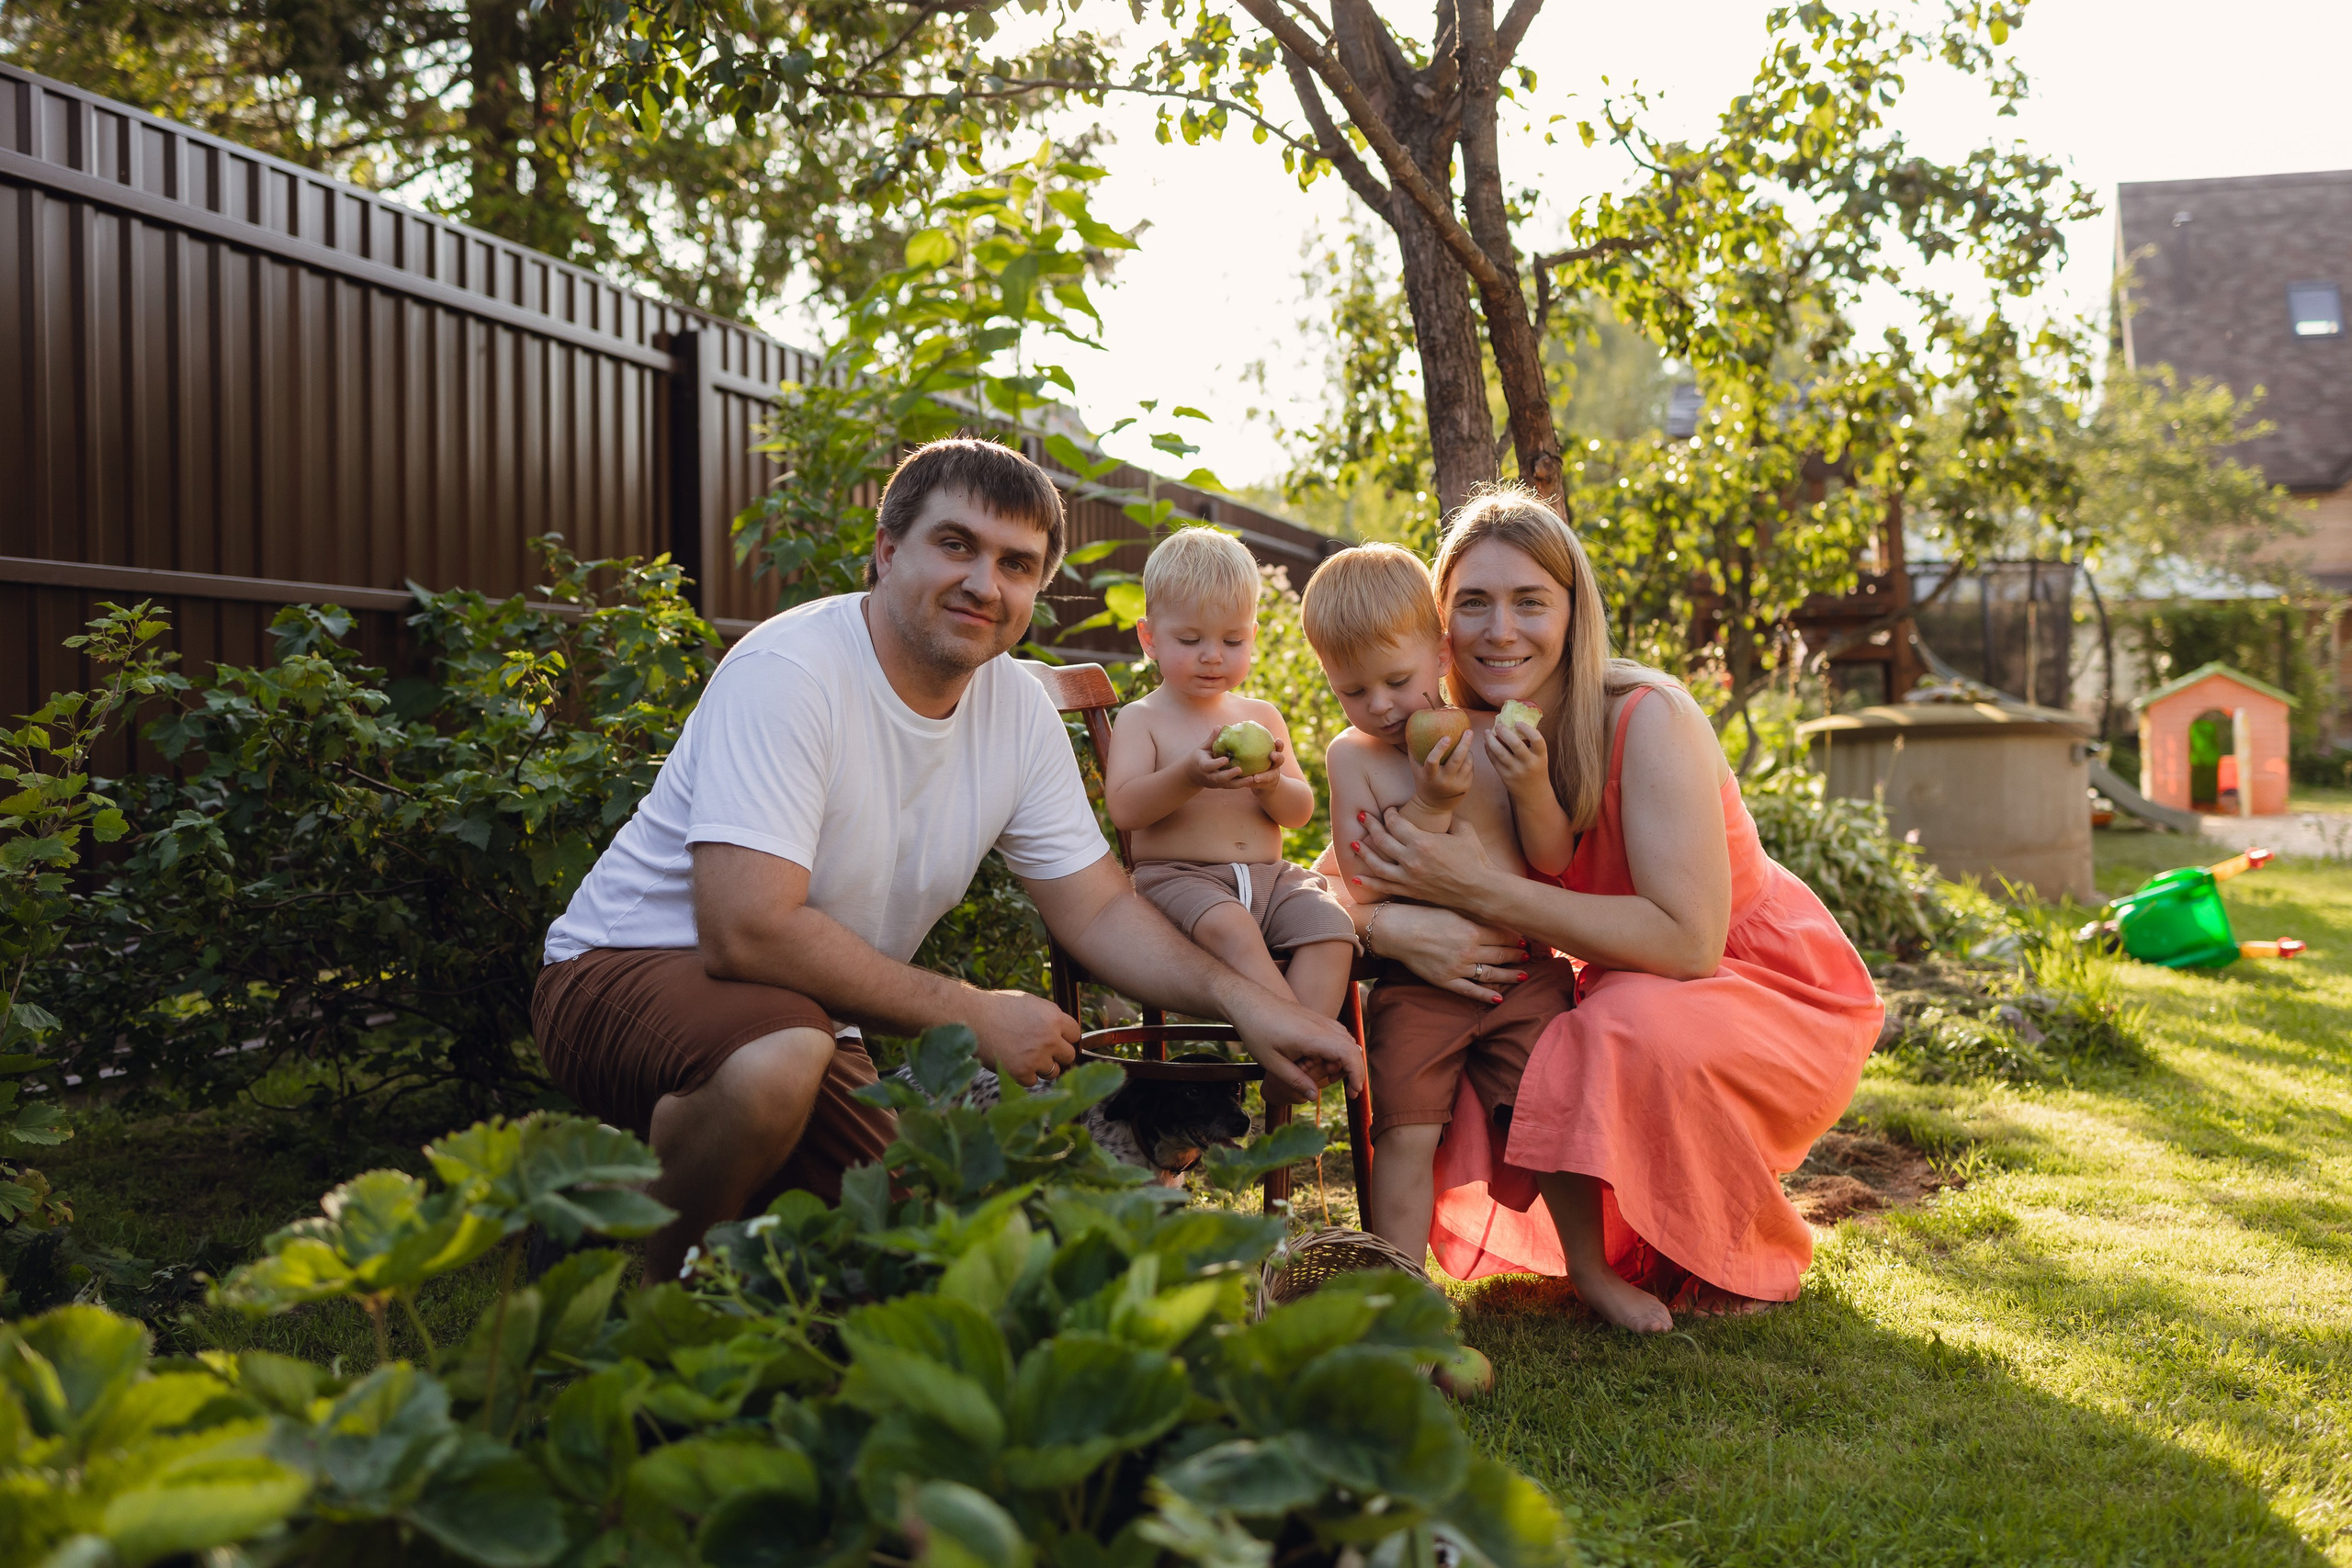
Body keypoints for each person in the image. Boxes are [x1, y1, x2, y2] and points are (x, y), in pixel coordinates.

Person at [532, 439, 1363, 1281]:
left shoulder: (1018, 712)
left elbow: (1102, 910)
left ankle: (602, 1203)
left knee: (912, 1253)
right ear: (888, 550)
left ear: (1035, 590)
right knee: (773, 1064)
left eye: (1016, 563)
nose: (984, 583)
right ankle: (662, 1307)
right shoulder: (792, 672)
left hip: (809, 1020)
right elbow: (746, 930)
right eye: (957, 544)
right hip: (623, 969)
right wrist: (972, 1011)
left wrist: (1247, 1001)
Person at [1335, 490, 1883, 1332]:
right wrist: (1391, 927)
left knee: (1599, 1026)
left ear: (1573, 610)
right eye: (1473, 603)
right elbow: (1335, 876)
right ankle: (1461, 1286)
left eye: (1530, 601)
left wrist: (1476, 891)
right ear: (1439, 625)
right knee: (1517, 1027)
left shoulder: (1645, 716)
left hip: (1760, 986)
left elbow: (1690, 942)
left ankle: (1708, 1245)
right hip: (1603, 985)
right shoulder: (1449, 737)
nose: (1500, 629)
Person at [1297, 543, 1580, 1258]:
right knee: (1403, 1133)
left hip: (1522, 973)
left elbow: (1550, 861)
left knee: (1557, 1115)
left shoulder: (1491, 734)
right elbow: (1363, 881)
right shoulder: (1351, 758)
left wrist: (1533, 785)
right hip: (1418, 987)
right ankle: (1402, 1287)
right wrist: (1429, 804)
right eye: (1353, 691)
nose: (1382, 706)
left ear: (1440, 648)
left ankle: (1590, 1267)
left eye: (1397, 679)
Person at [1104, 528, 1356, 1025]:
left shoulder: (1261, 716)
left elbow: (1300, 813)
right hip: (1181, 882)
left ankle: (1291, 1069)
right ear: (1149, 638)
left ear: (1253, 637)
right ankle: (1304, 1038)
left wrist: (1271, 785)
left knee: (1331, 926)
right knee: (1232, 929)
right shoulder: (1143, 718)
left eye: (1232, 640)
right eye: (1190, 639)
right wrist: (1188, 776)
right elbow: (1126, 809)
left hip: (1271, 880)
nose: (1212, 655)